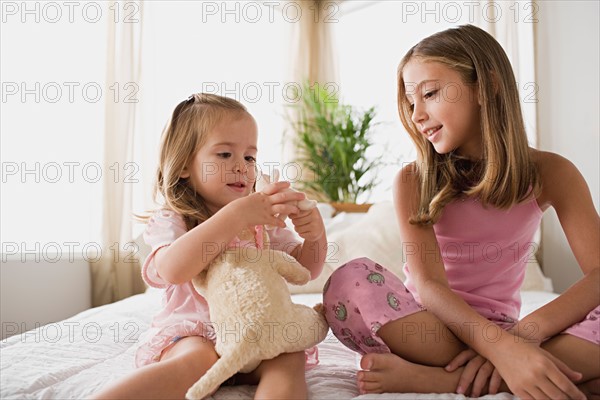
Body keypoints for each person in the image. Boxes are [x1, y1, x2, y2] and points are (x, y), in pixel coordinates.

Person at [323, 24, 599, 399]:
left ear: (486, 86)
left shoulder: (553, 173)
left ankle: (451, 380)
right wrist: (502, 350)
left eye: (431, 93)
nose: (417, 114)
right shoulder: (413, 180)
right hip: (431, 331)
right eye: (410, 102)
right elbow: (429, 285)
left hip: (505, 329)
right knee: (349, 279)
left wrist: (519, 338)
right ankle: (516, 370)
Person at [91, 93, 327, 400]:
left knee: (289, 355)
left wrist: (316, 235)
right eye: (225, 155)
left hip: (257, 333)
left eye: (250, 157)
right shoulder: (175, 219)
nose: (242, 166)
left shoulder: (262, 222)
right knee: (197, 359)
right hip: (196, 333)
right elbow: (173, 270)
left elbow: (305, 269)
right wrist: (235, 215)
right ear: (185, 165)